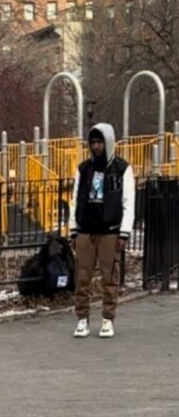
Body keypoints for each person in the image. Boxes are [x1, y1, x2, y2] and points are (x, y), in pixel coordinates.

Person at [69, 123, 134, 339]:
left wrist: (124, 232)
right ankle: (82, 318)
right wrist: (73, 229)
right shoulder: (83, 169)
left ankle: (108, 318)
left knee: (109, 276)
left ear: (108, 143)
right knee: (82, 276)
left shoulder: (122, 169)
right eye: (93, 142)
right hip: (86, 229)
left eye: (100, 142)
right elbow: (75, 199)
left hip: (109, 230)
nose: (96, 147)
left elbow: (128, 203)